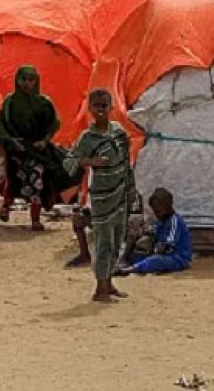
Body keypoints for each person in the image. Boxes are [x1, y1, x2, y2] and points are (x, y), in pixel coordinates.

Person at [66, 89, 135, 303]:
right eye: (97, 106)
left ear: (111, 106)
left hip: (121, 192)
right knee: (104, 241)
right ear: (91, 109)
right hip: (102, 196)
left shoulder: (119, 132)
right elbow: (70, 161)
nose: (101, 110)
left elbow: (126, 161)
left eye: (105, 105)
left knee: (117, 240)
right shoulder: (88, 138)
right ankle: (99, 289)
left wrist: (130, 189)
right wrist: (92, 162)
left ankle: (109, 283)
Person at [0, 66, 72, 230]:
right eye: (23, 79)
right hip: (16, 151)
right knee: (14, 181)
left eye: (31, 80)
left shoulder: (44, 103)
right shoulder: (10, 102)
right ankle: (5, 207)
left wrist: (44, 141)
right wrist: (10, 140)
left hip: (37, 151)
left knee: (37, 182)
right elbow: (1, 124)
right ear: (17, 80)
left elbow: (54, 123)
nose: (26, 83)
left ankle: (35, 219)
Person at [119, 188, 192, 276]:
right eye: (154, 211)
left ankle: (130, 269)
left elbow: (167, 246)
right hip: (164, 255)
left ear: (168, 206)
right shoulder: (160, 221)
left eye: (158, 211)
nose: (156, 214)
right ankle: (135, 265)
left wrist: (154, 250)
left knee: (155, 260)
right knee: (138, 256)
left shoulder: (175, 221)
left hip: (178, 258)